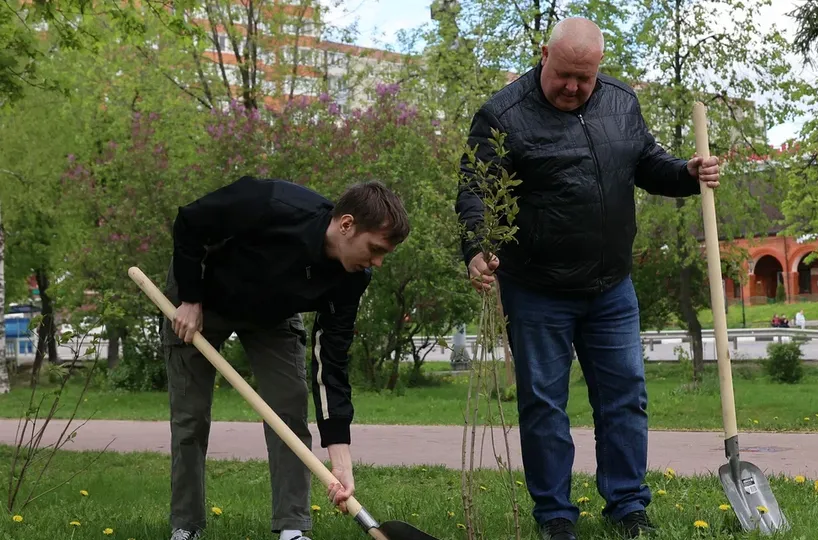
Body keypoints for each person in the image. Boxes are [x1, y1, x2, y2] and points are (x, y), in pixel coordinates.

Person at [455, 16, 720, 540]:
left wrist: (686, 175)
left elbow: (646, 163)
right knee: (544, 405)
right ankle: (555, 516)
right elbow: (475, 193)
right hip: (535, 291)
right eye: (565, 76)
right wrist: (477, 250)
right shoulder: (499, 116)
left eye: (586, 77)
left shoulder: (622, 104)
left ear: (599, 68)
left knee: (625, 397)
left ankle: (627, 505)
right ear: (543, 54)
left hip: (611, 289)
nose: (574, 87)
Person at [161, 176, 409, 540]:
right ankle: (186, 526)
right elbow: (191, 221)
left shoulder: (352, 279)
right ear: (346, 225)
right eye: (374, 249)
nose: (378, 262)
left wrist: (341, 463)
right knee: (190, 417)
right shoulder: (272, 202)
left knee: (289, 408)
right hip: (201, 297)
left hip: (272, 315)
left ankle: (292, 530)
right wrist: (190, 298)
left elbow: (331, 366)